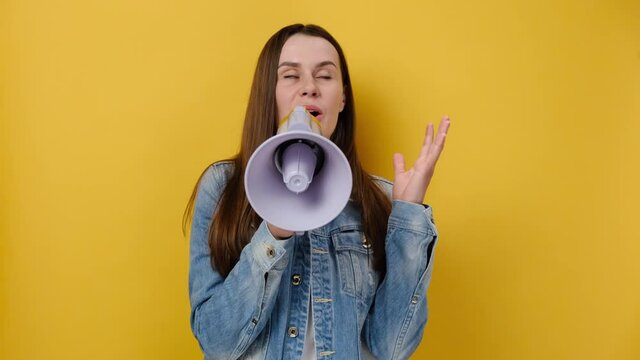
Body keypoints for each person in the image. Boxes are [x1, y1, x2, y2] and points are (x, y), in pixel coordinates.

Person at [184, 23, 450, 360]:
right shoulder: (223, 188)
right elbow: (216, 344)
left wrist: (408, 219)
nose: (309, 88)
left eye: (324, 76)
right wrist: (274, 233)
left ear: (342, 99)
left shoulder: (379, 201)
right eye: (290, 76)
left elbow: (391, 348)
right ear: (268, 93)